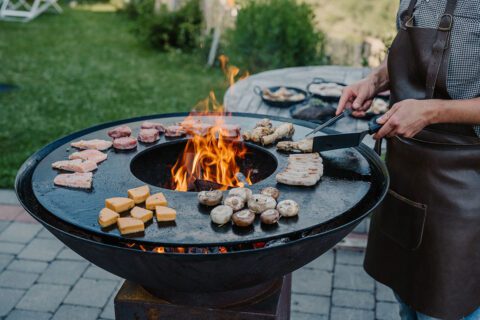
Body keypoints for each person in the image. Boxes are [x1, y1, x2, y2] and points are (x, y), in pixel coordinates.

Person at [336, 1, 480, 319]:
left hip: (463, 189)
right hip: (405, 177)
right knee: (407, 302)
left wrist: (432, 112)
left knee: (445, 307)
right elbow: (417, 59)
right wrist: (373, 82)